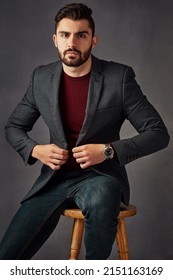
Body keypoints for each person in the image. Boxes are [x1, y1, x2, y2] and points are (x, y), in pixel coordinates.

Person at [0, 3, 169, 260]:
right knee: (6, 258)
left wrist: (108, 150)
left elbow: (158, 133)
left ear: (94, 40)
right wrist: (35, 149)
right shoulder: (41, 78)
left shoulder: (119, 77)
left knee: (103, 197)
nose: (72, 42)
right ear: (55, 40)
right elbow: (13, 127)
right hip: (53, 180)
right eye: (65, 35)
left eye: (81, 35)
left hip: (100, 178)